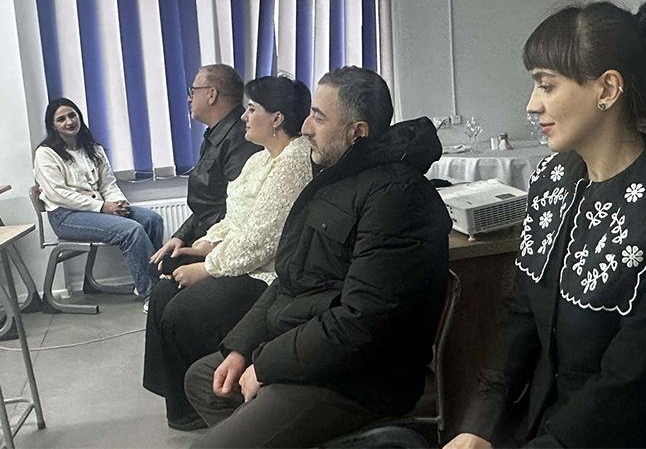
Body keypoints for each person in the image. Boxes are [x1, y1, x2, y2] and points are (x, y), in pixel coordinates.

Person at [447, 0, 646, 449]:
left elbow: (634, 383)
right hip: (543, 423)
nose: (532, 104)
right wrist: (476, 425)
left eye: (546, 85)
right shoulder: (552, 179)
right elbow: (521, 313)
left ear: (607, 89)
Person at [184, 66, 452, 448]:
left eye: (319, 117)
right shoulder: (334, 178)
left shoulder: (396, 197)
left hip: (358, 378)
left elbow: (361, 323)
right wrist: (242, 347)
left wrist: (267, 364)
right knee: (202, 379)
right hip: (314, 350)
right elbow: (289, 277)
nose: (305, 127)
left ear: (357, 132)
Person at [143, 76, 313, 431]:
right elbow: (234, 218)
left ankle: (200, 400)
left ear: (277, 118)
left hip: (265, 274)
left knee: (180, 313)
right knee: (162, 290)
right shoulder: (260, 159)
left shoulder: (294, 163)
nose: (244, 117)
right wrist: (202, 245)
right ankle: (179, 402)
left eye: (251, 110)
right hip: (238, 259)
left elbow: (261, 241)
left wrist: (206, 267)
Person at [33, 98, 163, 309]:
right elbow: (58, 194)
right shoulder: (45, 153)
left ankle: (153, 282)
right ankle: (152, 295)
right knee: (131, 231)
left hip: (98, 209)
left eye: (72, 115)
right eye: (61, 119)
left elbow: (108, 184)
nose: (69, 122)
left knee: (152, 219)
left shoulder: (93, 149)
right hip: (65, 216)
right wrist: (103, 207)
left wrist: (118, 204)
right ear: (53, 126)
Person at [149, 64, 261, 275]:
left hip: (221, 243)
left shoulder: (241, 139)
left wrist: (199, 249)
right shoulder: (215, 135)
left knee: (163, 270)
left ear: (211, 94)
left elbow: (236, 209)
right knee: (158, 264)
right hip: (207, 235)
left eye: (193, 91)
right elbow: (206, 207)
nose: (189, 98)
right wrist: (180, 236)